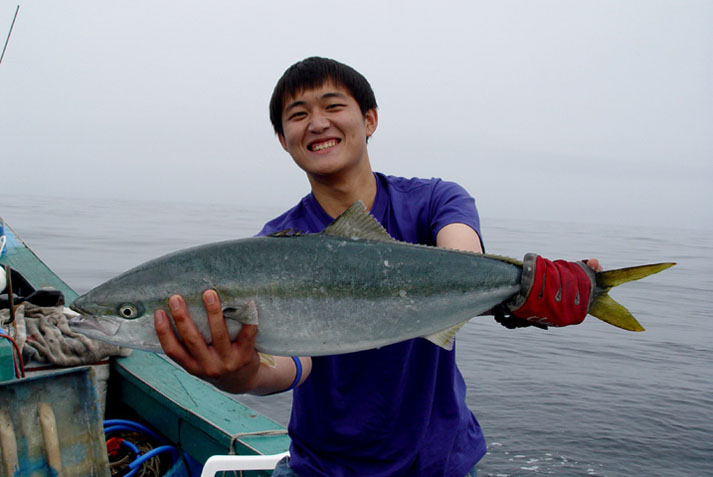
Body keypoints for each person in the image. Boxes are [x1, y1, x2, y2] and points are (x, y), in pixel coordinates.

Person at [154, 57, 600, 476]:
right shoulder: (272, 250)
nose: (317, 123)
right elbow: (294, 361)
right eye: (298, 114)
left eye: (333, 106)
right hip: (324, 468)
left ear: (370, 120)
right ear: (283, 140)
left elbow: (462, 259)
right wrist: (242, 374)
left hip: (441, 465)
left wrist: (523, 293)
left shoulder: (436, 200)